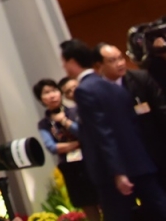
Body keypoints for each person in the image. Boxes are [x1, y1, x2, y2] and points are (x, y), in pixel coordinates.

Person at [61, 38, 166, 221]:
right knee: (158, 208)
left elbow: (102, 133)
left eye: (63, 61)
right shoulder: (114, 87)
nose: (63, 66)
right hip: (139, 161)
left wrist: (118, 172)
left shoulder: (85, 90)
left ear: (71, 61)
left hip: (112, 171)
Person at [97, 41, 166, 191]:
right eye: (112, 61)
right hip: (127, 159)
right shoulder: (97, 91)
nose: (120, 63)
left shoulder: (141, 79)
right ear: (99, 65)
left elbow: (162, 110)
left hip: (156, 150)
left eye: (120, 58)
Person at [32, 78, 99, 220]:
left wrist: (64, 121)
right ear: (41, 99)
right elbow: (52, 147)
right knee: (86, 204)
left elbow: (84, 133)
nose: (52, 95)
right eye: (46, 93)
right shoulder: (44, 124)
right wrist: (77, 143)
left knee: (104, 199)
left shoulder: (75, 111)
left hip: (90, 161)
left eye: (54, 90)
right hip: (70, 168)